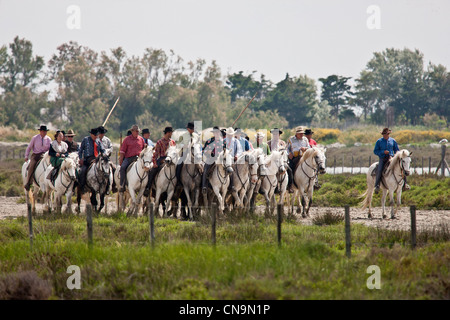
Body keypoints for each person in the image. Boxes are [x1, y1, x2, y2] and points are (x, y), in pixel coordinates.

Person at [373, 127, 409, 194]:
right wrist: (383, 152)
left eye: (386, 134)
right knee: (379, 169)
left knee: (402, 168)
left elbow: (397, 150)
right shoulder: (379, 141)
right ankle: (377, 185)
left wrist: (397, 156)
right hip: (383, 159)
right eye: (384, 134)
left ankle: (405, 184)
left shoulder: (393, 141)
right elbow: (375, 151)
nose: (385, 135)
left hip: (392, 158)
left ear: (388, 134)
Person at [144, 126, 176, 196]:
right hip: (162, 158)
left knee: (177, 170)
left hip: (171, 158)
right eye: (171, 133)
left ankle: (176, 189)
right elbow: (155, 154)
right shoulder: (160, 142)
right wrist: (155, 163)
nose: (172, 134)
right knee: (153, 170)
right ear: (168, 133)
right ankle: (148, 187)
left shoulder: (172, 142)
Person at [24, 125, 52, 190]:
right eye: (43, 131)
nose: (44, 132)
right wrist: (26, 156)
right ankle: (28, 183)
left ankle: (52, 182)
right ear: (40, 131)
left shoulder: (48, 139)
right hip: (36, 155)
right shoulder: (35, 138)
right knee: (31, 166)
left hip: (45, 156)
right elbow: (29, 147)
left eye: (45, 131)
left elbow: (50, 149)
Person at [118, 125, 145, 192]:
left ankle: (146, 186)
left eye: (138, 131)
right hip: (129, 158)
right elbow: (122, 150)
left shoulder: (141, 139)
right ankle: (122, 184)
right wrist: (121, 159)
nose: (137, 132)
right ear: (132, 131)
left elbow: (144, 149)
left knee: (147, 169)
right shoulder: (127, 139)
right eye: (136, 131)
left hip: (139, 159)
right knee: (123, 168)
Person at [286, 126, 311, 193]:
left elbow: (309, 148)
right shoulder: (291, 139)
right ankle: (290, 186)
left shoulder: (305, 139)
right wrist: (289, 154)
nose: (301, 134)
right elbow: (287, 149)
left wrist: (305, 149)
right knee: (289, 169)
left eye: (302, 133)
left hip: (304, 157)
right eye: (300, 133)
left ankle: (314, 183)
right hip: (294, 158)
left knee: (313, 167)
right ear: (296, 133)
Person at [202, 126, 225, 193]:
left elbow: (226, 151)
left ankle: (230, 186)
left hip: (220, 160)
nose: (216, 134)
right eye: (215, 132)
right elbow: (204, 150)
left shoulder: (222, 142)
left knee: (230, 169)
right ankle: (204, 186)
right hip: (211, 159)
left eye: (217, 132)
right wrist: (208, 152)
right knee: (205, 169)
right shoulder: (209, 141)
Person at [175, 122, 197, 186]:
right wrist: (183, 145)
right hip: (185, 153)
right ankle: (178, 180)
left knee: (200, 166)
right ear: (188, 129)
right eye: (191, 129)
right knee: (179, 165)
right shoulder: (183, 135)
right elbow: (177, 143)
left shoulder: (195, 136)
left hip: (194, 154)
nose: (192, 130)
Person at [97, 125, 116, 193]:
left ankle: (113, 186)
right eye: (100, 133)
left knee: (114, 168)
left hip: (106, 158)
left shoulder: (107, 140)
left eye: (103, 133)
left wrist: (107, 151)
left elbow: (111, 148)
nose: (102, 134)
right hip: (97, 158)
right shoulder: (96, 140)